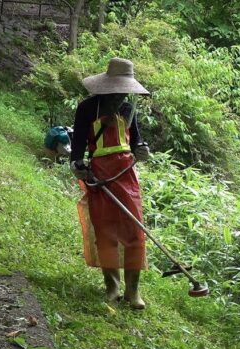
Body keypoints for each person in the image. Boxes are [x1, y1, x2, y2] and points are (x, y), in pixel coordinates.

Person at [70, 57, 151, 309]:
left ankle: (133, 292)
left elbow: (136, 140)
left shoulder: (128, 109)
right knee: (105, 230)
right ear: (107, 87)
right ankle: (112, 287)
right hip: (100, 175)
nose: (121, 96)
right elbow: (78, 149)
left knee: (134, 230)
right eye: (118, 90)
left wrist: (141, 149)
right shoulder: (87, 108)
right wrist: (79, 166)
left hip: (126, 175)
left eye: (125, 91)